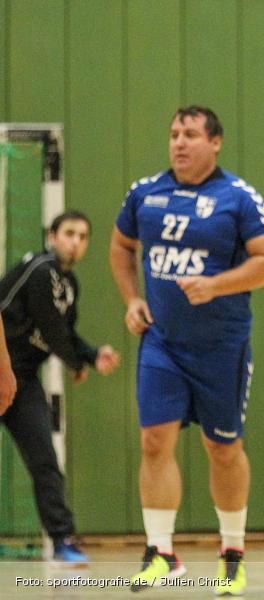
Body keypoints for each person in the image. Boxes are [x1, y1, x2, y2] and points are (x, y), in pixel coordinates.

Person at [109, 106, 264, 595]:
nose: (179, 143)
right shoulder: (145, 193)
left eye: (189, 135)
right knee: (154, 442)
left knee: (222, 448)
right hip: (162, 342)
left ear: (215, 142)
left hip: (221, 347)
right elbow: (122, 247)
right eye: (173, 135)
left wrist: (216, 285)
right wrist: (133, 299)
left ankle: (231, 554)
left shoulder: (238, 198)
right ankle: (160, 552)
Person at [0, 210, 121, 564]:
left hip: (22, 383)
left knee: (45, 460)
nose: (75, 242)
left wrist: (93, 355)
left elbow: (64, 332)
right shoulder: (40, 270)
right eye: (69, 233)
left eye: (83, 237)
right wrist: (74, 362)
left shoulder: (69, 286)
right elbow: (52, 329)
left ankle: (62, 539)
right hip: (0, 369)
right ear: (51, 236)